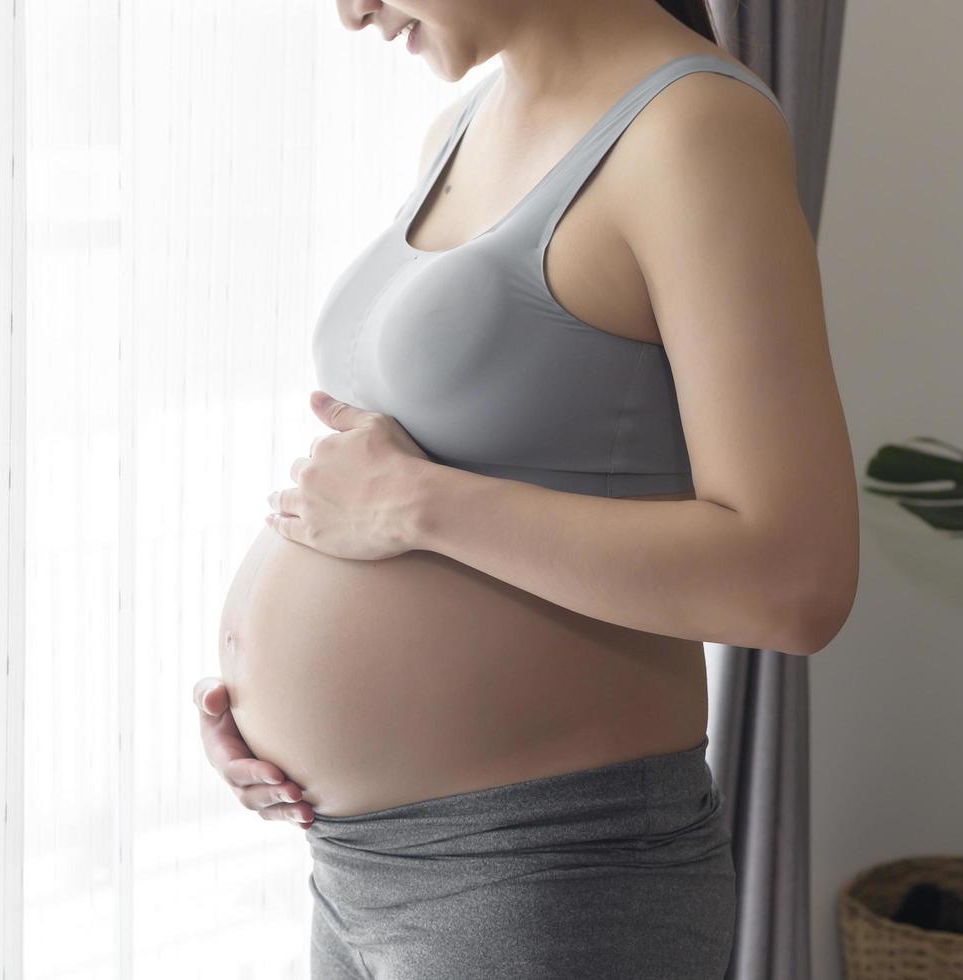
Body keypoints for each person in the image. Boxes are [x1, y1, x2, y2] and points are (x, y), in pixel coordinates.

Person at [192, 0, 858, 977]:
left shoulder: (691, 130)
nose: (349, 11)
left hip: (550, 872)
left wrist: (416, 505)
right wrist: (270, 713)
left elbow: (793, 579)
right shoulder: (464, 122)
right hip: (356, 864)